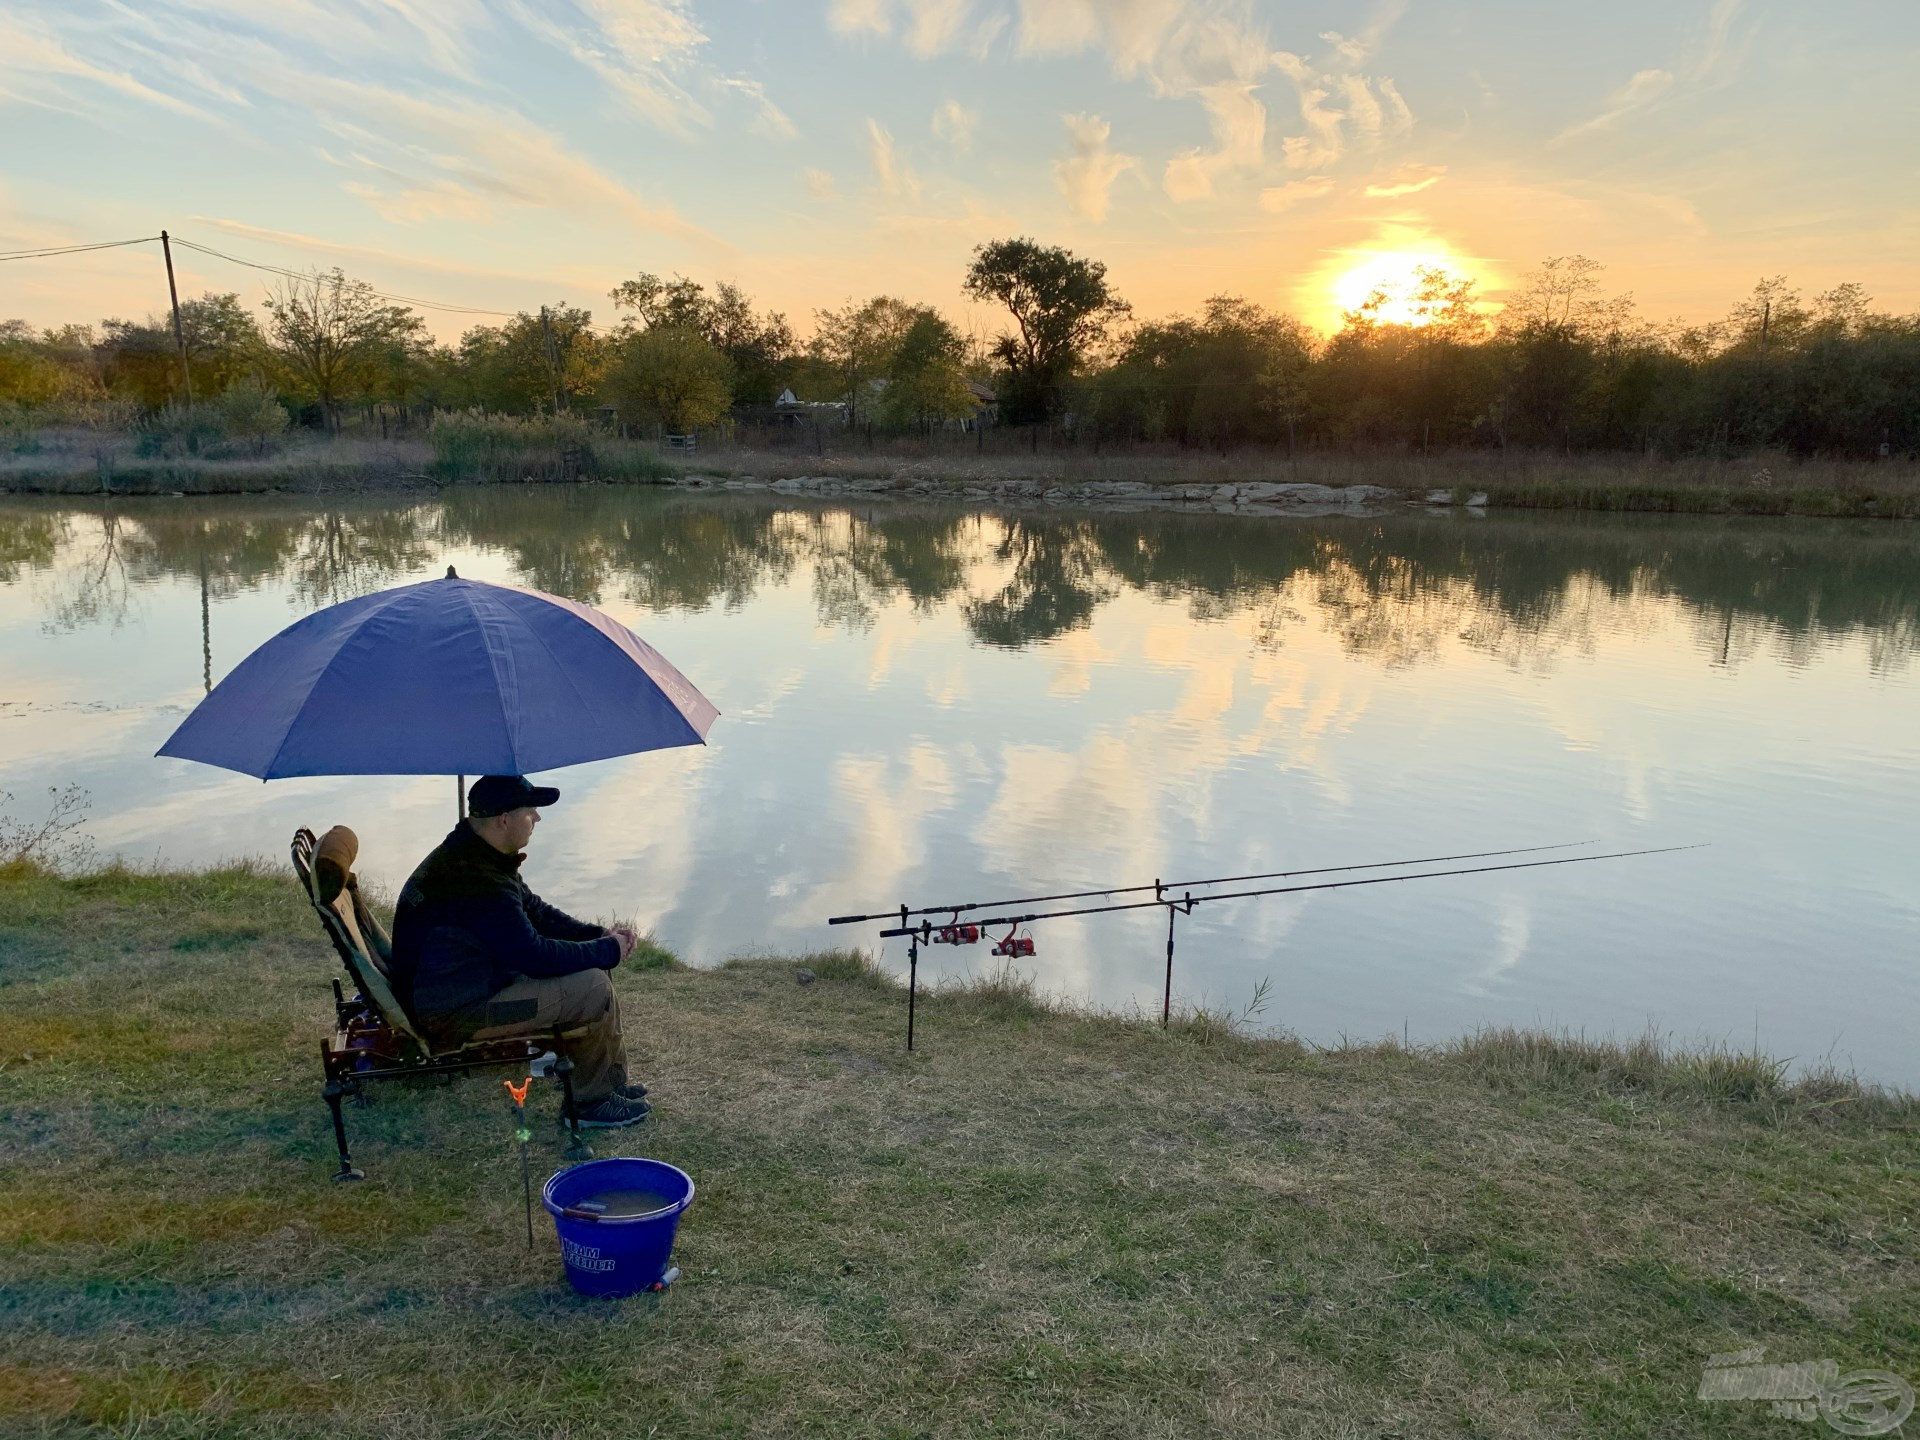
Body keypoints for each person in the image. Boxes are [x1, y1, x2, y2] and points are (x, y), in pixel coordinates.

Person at [391, 774, 651, 1129]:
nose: (537, 819)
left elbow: (535, 911)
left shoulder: (477, 855)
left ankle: (610, 1083)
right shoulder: (476, 881)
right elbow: (534, 956)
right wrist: (605, 951)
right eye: (531, 812)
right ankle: (590, 1107)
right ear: (504, 820)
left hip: (473, 985)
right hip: (457, 1010)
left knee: (593, 965)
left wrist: (597, 936)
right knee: (592, 988)